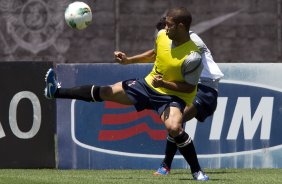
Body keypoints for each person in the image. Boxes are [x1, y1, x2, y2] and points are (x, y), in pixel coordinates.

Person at [45, 7, 208, 181]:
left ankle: (197, 171)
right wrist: (128, 60)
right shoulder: (162, 36)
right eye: (166, 25)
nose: (165, 28)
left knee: (174, 128)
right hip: (147, 86)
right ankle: (56, 91)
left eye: (169, 25)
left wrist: (164, 84)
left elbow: (189, 89)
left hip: (173, 97)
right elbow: (155, 54)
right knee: (107, 91)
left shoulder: (193, 56)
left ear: (181, 27)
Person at [153, 17, 224, 176]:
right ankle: (167, 166)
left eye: (166, 32)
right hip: (189, 87)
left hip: (204, 87)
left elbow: (158, 55)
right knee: (175, 124)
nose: (164, 39)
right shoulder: (174, 43)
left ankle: (177, 167)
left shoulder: (190, 39)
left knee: (176, 123)